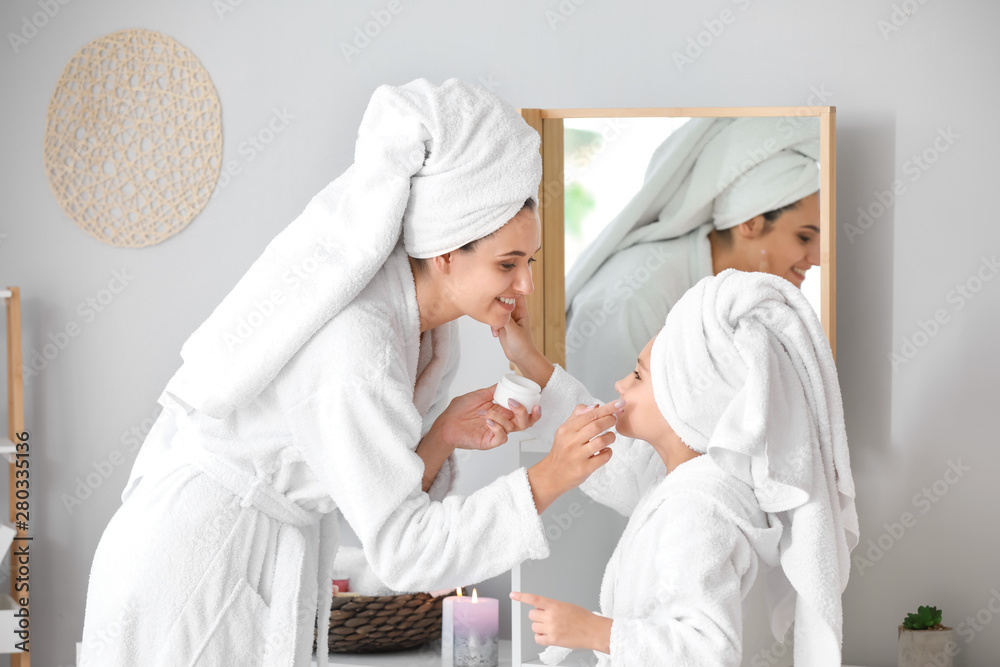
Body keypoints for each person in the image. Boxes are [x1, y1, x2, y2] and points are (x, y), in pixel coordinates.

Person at [79, 78, 617, 667]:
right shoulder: (360, 343)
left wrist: (440, 437)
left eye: (530, 261)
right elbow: (403, 550)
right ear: (444, 252)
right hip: (194, 568)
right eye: (507, 264)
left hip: (248, 551)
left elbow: (373, 491)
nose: (526, 286)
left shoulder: (424, 330)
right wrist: (551, 477)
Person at [499, 269, 859, 665]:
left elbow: (706, 649)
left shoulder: (699, 511)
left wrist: (592, 630)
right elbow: (612, 466)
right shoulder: (678, 479)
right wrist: (527, 359)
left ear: (684, 402)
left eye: (638, 375)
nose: (620, 384)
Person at [566, 116, 822, 401]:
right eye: (804, 237)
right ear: (750, 223)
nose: (818, 258)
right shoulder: (634, 295)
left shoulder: (750, 300)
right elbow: (603, 426)